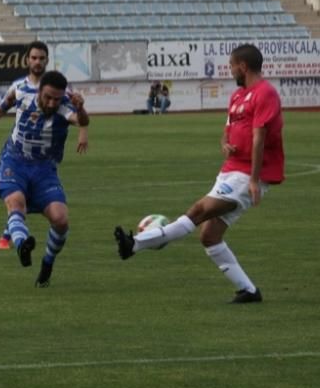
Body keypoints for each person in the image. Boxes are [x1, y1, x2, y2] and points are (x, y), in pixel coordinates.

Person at [114, 44, 284, 304]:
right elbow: (228, 129)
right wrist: (225, 142)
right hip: (229, 170)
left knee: (198, 210)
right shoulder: (238, 96)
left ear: (243, 66)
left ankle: (135, 244)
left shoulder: (265, 93)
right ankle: (249, 291)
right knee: (209, 235)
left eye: (231, 67)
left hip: (247, 175)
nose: (231, 72)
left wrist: (253, 180)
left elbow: (259, 136)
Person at [0, 70, 89, 288]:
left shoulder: (65, 103)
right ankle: (21, 244)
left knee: (61, 219)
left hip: (45, 169)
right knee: (15, 202)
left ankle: (47, 264)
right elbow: (4, 105)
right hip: (15, 161)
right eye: (48, 97)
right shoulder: (21, 90)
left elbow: (81, 120)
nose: (52, 103)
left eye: (56, 98)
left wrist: (81, 109)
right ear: (40, 90)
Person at [0, 41, 87, 250]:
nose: (37, 62)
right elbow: (3, 107)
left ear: (47, 60)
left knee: (16, 197)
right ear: (27, 60)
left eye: (41, 58)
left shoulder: (58, 91)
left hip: (43, 157)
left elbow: (77, 115)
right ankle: (15, 219)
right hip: (15, 149)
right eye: (34, 58)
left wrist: (83, 133)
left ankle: (13, 227)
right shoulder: (19, 87)